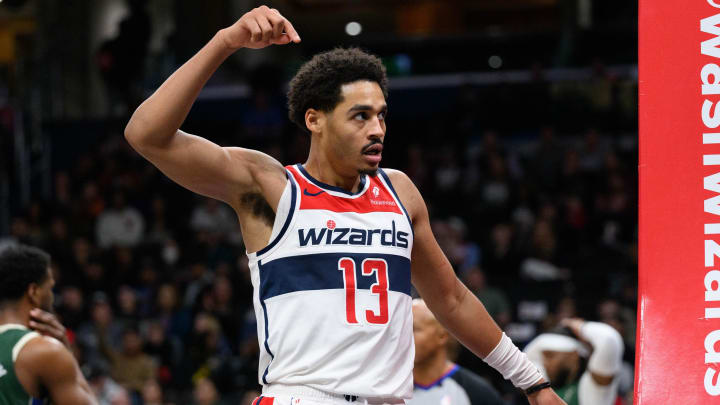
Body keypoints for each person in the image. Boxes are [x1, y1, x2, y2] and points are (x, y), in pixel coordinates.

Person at [124, 6, 565, 405]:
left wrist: (533, 382)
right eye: (360, 116)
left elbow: (450, 299)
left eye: (382, 115)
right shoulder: (270, 185)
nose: (378, 129)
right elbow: (146, 134)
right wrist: (225, 42)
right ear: (314, 119)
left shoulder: (400, 191)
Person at [0, 244, 97, 404]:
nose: (52, 296)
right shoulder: (45, 351)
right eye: (50, 288)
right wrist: (67, 352)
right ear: (34, 291)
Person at [410, 299, 506, 405]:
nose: (403, 337)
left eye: (414, 329)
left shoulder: (477, 392)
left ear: (442, 335)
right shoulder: (391, 388)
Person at [523, 319, 624, 405]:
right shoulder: (546, 386)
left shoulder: (592, 386)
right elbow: (525, 358)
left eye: (551, 356)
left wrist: (577, 325)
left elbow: (609, 340)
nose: (545, 363)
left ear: (574, 355)